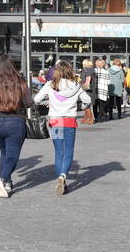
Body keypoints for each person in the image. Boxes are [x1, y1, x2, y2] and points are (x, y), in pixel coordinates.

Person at [34, 60, 92, 195]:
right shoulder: (76, 85)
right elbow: (87, 101)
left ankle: (60, 177)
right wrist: (82, 107)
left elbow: (36, 99)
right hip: (69, 122)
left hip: (55, 122)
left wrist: (48, 102)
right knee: (69, 151)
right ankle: (63, 176)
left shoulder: (50, 84)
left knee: (59, 151)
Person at [0, 55, 32, 198]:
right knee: (13, 156)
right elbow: (29, 102)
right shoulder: (19, 80)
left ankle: (8, 182)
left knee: (4, 152)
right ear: (12, 65)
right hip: (15, 122)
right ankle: (2, 179)